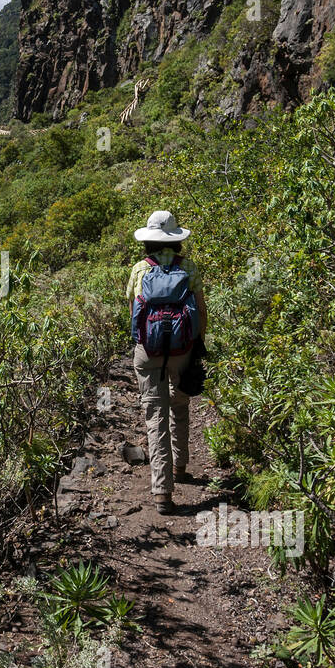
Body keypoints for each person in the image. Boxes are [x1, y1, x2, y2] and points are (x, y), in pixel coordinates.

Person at [126, 210, 206, 516]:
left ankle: (162, 492)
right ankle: (181, 466)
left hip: (149, 351)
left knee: (154, 414)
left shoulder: (139, 270)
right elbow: (201, 310)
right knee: (179, 404)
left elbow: (133, 310)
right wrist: (195, 344)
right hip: (182, 348)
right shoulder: (188, 267)